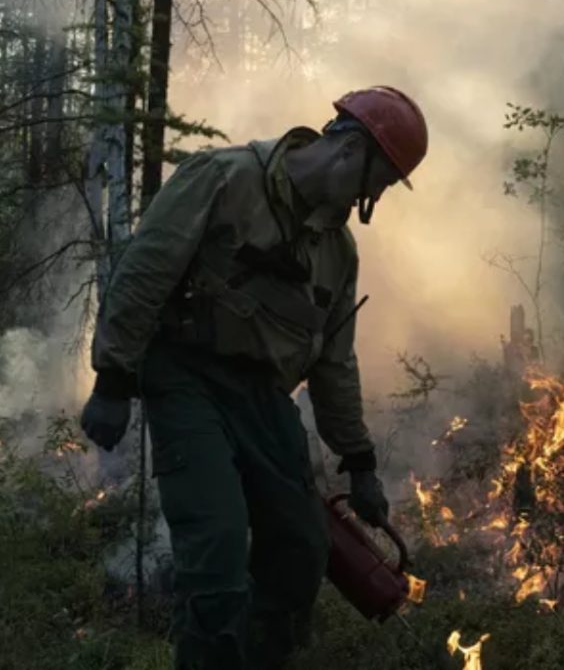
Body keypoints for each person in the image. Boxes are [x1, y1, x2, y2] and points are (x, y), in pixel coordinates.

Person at [78, 86, 429, 669]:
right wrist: (112, 379)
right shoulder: (222, 177)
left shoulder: (338, 253)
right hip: (188, 378)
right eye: (381, 180)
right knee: (215, 550)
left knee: (302, 549)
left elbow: (334, 363)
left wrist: (359, 460)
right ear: (350, 150)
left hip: (265, 400)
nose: (375, 197)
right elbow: (144, 272)